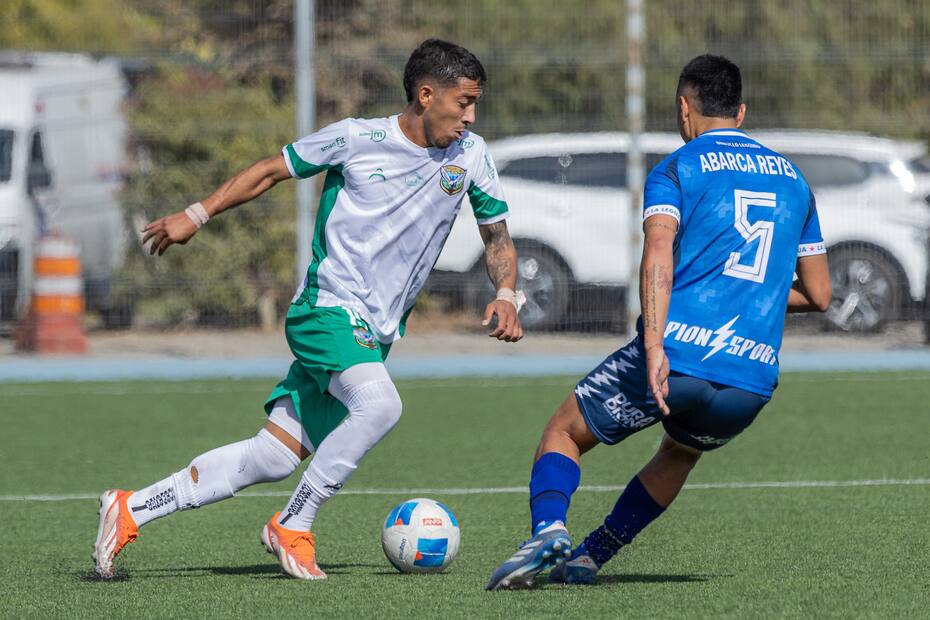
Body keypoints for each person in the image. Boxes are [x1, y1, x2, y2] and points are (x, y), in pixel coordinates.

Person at [93, 38, 524, 581]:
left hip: (373, 332)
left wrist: (506, 292)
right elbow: (270, 170)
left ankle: (130, 508)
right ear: (426, 94)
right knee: (380, 405)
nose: (471, 117)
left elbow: (497, 237)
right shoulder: (357, 138)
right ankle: (294, 523)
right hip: (328, 307)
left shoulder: (472, 154)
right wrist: (196, 215)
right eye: (464, 103)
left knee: (272, 456)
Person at [486, 54, 832, 590]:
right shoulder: (796, 182)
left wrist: (653, 346)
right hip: (752, 379)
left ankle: (548, 531)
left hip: (679, 355)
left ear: (683, 108)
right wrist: (746, 293)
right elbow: (819, 294)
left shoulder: (678, 168)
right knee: (682, 450)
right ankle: (590, 557)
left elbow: (658, 255)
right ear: (740, 112)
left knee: (563, 432)